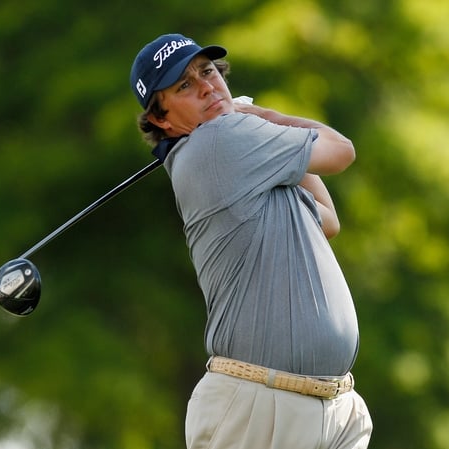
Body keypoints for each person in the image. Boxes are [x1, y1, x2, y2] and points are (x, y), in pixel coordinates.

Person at [130, 33, 373, 449]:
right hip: (260, 407)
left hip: (330, 406)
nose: (207, 86)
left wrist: (267, 139)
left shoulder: (243, 155)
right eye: (184, 86)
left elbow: (327, 220)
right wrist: (267, 117)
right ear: (161, 120)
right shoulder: (216, 143)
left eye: (207, 72)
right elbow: (341, 151)